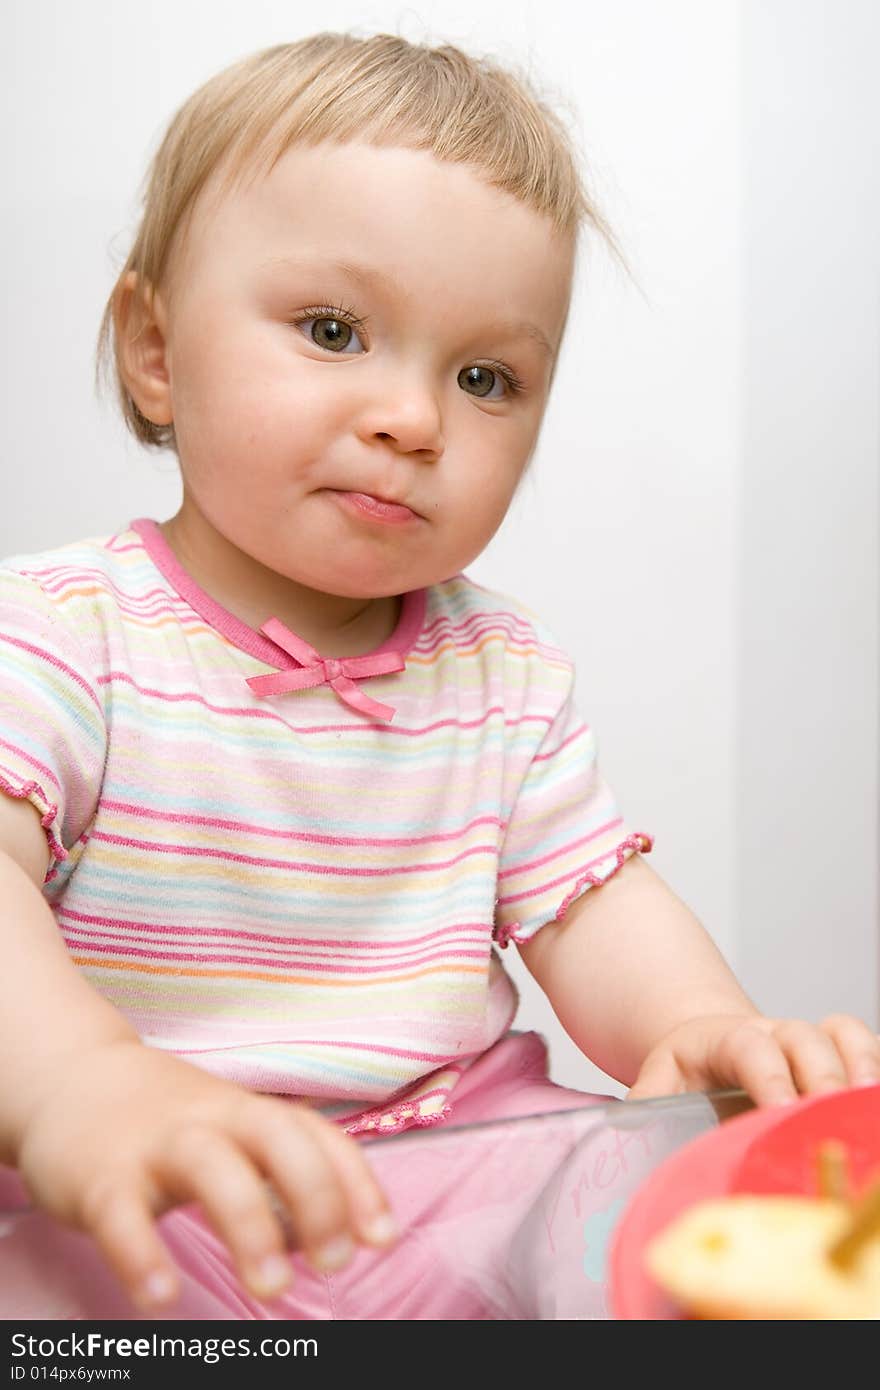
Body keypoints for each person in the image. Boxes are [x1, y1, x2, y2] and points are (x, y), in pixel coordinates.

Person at [0, 32, 877, 1322]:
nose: (414, 417)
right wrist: (81, 1088)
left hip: (455, 1166)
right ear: (156, 350)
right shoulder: (63, 634)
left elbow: (591, 903)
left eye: (485, 378)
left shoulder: (499, 670)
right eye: (334, 329)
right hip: (159, 1185)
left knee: (656, 1193)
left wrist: (699, 1025)